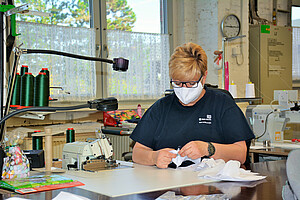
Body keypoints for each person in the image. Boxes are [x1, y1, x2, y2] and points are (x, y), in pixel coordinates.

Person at [130, 42, 255, 169]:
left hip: (211, 185)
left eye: (190, 83)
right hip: (170, 183)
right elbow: (137, 152)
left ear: (204, 77)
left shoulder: (222, 105)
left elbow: (241, 153)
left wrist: (209, 148)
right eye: (177, 83)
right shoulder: (161, 108)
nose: (184, 89)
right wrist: (154, 157)